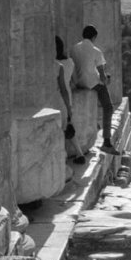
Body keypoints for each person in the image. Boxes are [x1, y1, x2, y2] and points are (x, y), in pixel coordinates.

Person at [60, 25, 120, 155]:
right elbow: (102, 76)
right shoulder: (96, 51)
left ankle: (98, 126)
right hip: (91, 83)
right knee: (108, 107)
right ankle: (107, 142)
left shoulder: (74, 48)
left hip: (77, 82)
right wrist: (106, 79)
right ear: (94, 37)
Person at [54, 36, 86, 165]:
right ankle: (79, 153)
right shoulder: (70, 62)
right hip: (67, 95)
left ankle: (64, 158)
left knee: (60, 129)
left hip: (57, 97)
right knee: (68, 126)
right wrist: (69, 107)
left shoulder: (54, 65)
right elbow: (74, 81)